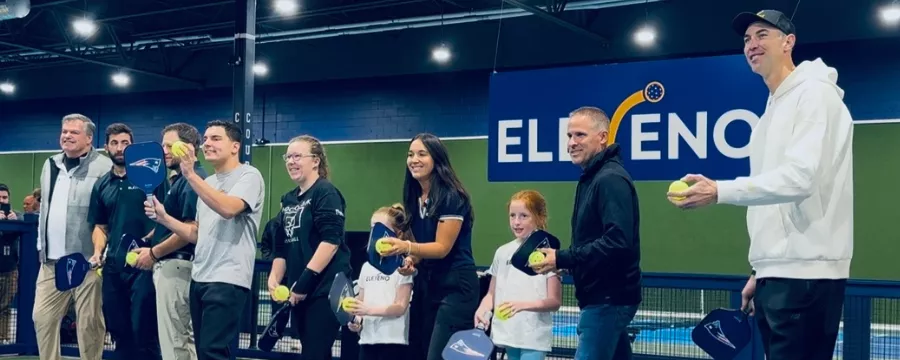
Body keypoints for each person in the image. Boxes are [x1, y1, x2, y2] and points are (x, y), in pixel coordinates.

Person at [667, 9, 854, 360]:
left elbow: (801, 178)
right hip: (778, 274)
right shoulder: (771, 110)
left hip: (807, 277)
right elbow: (773, 198)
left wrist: (720, 190)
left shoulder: (815, 95)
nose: (752, 44)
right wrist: (761, 271)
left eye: (762, 35)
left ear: (788, 42)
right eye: (746, 39)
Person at [145, 120, 265, 360]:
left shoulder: (249, 175)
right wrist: (165, 218)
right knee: (202, 352)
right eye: (207, 139)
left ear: (235, 146)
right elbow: (196, 233)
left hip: (228, 278)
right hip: (200, 278)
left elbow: (228, 209)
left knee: (213, 352)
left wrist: (189, 174)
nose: (208, 143)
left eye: (216, 138)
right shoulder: (208, 183)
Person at [530, 107, 642, 360]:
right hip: (604, 297)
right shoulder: (593, 178)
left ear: (602, 137)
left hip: (607, 300)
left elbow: (618, 242)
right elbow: (600, 243)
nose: (571, 143)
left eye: (580, 135)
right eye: (569, 136)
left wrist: (563, 258)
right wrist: (570, 264)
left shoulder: (609, 179)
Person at [378, 133, 479, 360]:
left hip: (457, 288)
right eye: (411, 154)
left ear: (437, 159)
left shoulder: (452, 196)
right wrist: (411, 262)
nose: (414, 159)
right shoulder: (413, 197)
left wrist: (406, 247)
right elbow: (420, 248)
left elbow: (442, 247)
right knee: (418, 352)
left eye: (422, 154)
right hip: (427, 285)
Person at [266, 135, 351, 360]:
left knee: (315, 354)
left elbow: (331, 241)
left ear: (315, 161)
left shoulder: (326, 192)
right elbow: (281, 247)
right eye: (288, 157)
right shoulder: (288, 200)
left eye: (297, 156)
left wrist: (303, 282)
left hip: (325, 290)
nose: (291, 161)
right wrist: (274, 279)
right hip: (298, 292)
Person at [34, 113, 111, 360]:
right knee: (42, 319)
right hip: (51, 262)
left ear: (89, 139)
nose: (66, 136)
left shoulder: (105, 167)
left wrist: (102, 253)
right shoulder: (50, 164)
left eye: (74, 132)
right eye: (64, 131)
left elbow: (108, 215)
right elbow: (44, 208)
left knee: (89, 325)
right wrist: (40, 246)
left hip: (88, 261)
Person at [133, 122, 207, 360]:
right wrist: (152, 234)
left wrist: (153, 253)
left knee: (175, 341)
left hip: (177, 267)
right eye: (162, 144)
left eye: (169, 145)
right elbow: (175, 223)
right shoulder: (181, 181)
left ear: (189, 148)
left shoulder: (191, 181)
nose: (163, 150)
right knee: (183, 338)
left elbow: (189, 231)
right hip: (177, 267)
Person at [88, 123, 161, 360]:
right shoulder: (101, 185)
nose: (120, 148)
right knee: (118, 331)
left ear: (132, 146)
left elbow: (166, 217)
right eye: (114, 143)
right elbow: (101, 226)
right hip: (113, 268)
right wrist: (98, 251)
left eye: (125, 143)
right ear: (106, 147)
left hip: (145, 265)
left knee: (144, 332)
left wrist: (150, 242)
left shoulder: (150, 177)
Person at [475, 190, 562, 360]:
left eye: (524, 216)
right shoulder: (502, 252)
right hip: (507, 334)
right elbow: (491, 294)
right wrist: (483, 308)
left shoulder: (550, 253)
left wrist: (521, 305)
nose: (516, 222)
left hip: (533, 337)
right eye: (512, 216)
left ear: (540, 217)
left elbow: (555, 302)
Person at [345, 204, 415, 360]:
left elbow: (400, 307)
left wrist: (368, 310)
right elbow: (360, 304)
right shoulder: (366, 267)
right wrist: (356, 321)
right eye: (372, 229)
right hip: (367, 341)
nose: (375, 235)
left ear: (398, 235)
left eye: (380, 229)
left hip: (393, 343)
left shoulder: (403, 267)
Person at [0, 183, 21, 344]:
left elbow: (27, 222)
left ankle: (3, 338)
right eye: (0, 198)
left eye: (5, 197)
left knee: (5, 307)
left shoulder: (16, 215)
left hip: (10, 269)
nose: (3, 201)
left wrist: (17, 220)